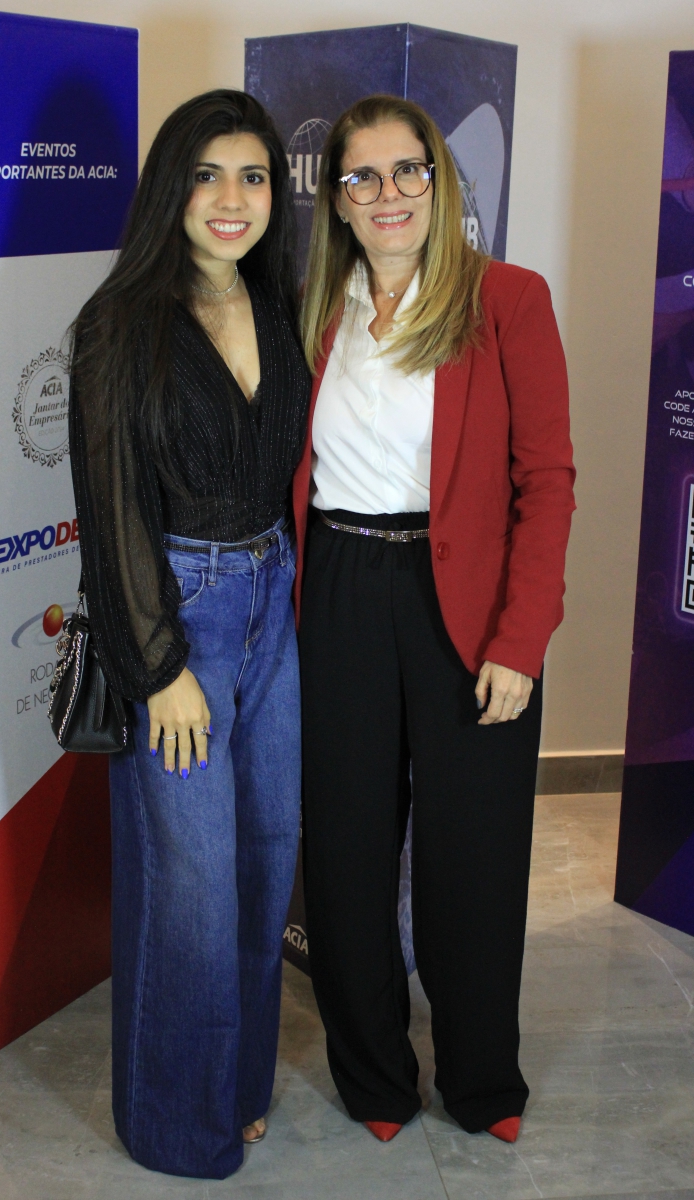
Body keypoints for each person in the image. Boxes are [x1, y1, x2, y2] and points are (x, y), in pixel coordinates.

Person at [294, 95, 575, 1145]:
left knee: (474, 855)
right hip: (339, 589)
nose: (387, 193)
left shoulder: (507, 299)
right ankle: (373, 1077)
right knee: (347, 851)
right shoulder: (313, 310)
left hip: (467, 603)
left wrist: (521, 638)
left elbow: (546, 482)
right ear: (336, 201)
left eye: (407, 170)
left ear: (439, 182)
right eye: (361, 177)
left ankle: (480, 1079)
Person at [68, 89, 310, 1180]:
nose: (231, 198)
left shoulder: (277, 302)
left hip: (274, 607)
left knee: (264, 859)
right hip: (181, 616)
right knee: (192, 885)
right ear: (172, 186)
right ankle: (175, 1124)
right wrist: (159, 668)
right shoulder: (121, 323)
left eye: (252, 176)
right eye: (207, 174)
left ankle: (237, 1085)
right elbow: (110, 505)